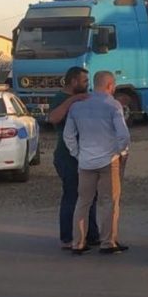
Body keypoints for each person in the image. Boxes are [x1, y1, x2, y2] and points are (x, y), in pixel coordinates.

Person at [64, 71, 130, 255]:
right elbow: (123, 135)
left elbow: (68, 135)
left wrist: (77, 153)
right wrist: (120, 152)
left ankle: (78, 242)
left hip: (85, 161)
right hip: (109, 160)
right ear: (110, 85)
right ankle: (108, 242)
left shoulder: (77, 106)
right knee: (109, 202)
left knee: (83, 201)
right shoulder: (113, 105)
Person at [49, 66, 99, 251]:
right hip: (67, 156)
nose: (87, 85)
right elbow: (53, 118)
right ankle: (68, 237)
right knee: (72, 195)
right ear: (73, 81)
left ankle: (91, 234)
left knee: (90, 196)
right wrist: (73, 100)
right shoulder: (60, 98)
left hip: (85, 155)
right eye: (84, 81)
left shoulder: (85, 98)